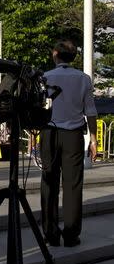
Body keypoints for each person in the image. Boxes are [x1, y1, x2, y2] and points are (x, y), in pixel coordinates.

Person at [40, 39, 98, 247]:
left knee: (49, 182)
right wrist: (93, 139)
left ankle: (50, 233)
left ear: (55, 54)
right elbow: (90, 111)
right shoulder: (83, 78)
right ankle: (71, 235)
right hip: (73, 135)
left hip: (49, 133)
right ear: (73, 57)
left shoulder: (45, 77)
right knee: (73, 185)